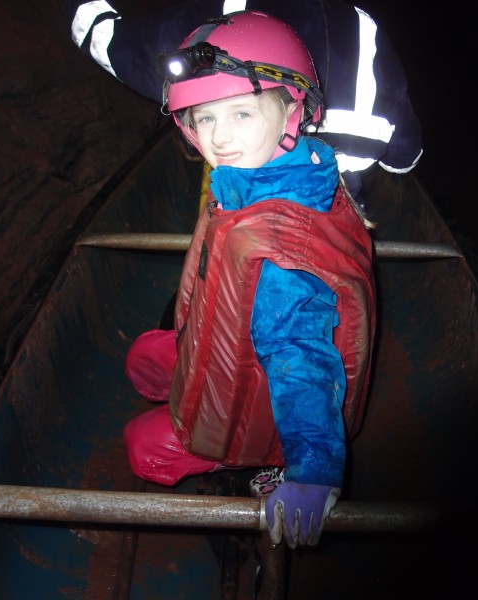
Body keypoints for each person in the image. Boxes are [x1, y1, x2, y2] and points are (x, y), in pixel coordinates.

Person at [121, 11, 376, 550]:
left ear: (292, 112)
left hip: (264, 408)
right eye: (205, 118)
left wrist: (313, 470)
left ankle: (268, 465)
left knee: (142, 446)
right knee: (146, 354)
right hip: (232, 344)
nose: (220, 138)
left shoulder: (282, 255)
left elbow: (301, 360)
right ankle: (184, 374)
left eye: (241, 113)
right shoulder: (271, 172)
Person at [61, 0, 422, 207]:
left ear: (294, 112)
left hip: (245, 211)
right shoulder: (364, 27)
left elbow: (109, 42)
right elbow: (403, 158)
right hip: (342, 208)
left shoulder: (216, 16)